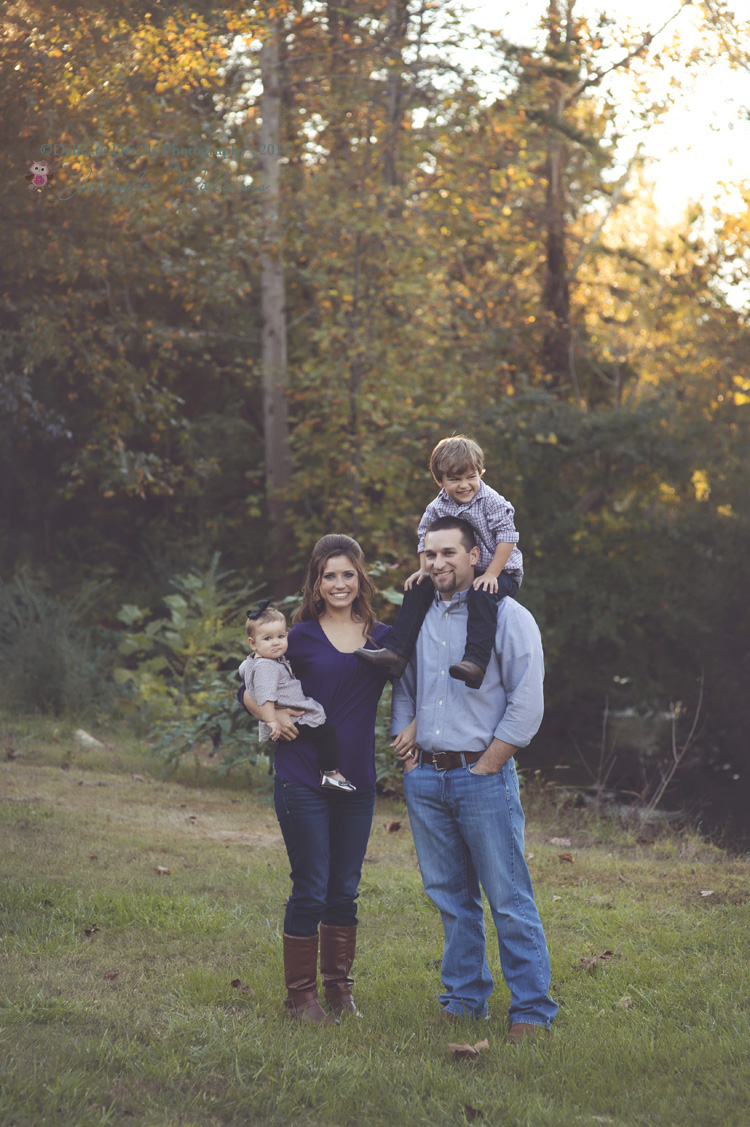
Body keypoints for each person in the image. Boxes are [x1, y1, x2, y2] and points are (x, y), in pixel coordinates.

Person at [390, 515, 557, 1042]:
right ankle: (463, 998)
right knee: (449, 897)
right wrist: (409, 758)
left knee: (508, 897)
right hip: (426, 780)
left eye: (448, 553)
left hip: (482, 777)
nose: (438, 563)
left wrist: (488, 765)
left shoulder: (508, 616)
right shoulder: (419, 614)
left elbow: (527, 704)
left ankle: (531, 1009)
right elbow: (404, 688)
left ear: (474, 556)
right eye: (429, 553)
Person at [238, 535, 391, 1025]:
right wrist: (272, 712)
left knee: (344, 888)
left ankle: (340, 992)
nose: (339, 583)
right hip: (302, 774)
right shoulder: (296, 636)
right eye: (330, 575)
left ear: (360, 577)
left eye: (348, 574)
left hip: (358, 780)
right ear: (317, 582)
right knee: (311, 885)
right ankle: (300, 998)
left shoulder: (381, 636)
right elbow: (246, 688)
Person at [355, 434, 523, 689]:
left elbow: (507, 537)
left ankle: (475, 663)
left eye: (471, 477)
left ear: (481, 473)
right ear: (440, 480)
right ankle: (397, 653)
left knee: (482, 594)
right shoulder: (436, 507)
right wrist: (424, 569)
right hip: (463, 568)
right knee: (418, 586)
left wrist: (491, 574)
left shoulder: (492, 501)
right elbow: (424, 536)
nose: (464, 485)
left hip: (501, 570)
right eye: (455, 479)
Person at [240, 600, 355, 792]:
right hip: (292, 715)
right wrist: (272, 721)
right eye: (267, 639)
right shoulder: (267, 667)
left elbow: (244, 670)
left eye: (281, 636)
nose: (276, 642)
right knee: (325, 732)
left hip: (290, 711)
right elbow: (266, 697)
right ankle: (330, 773)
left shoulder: (260, 660)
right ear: (253, 643)